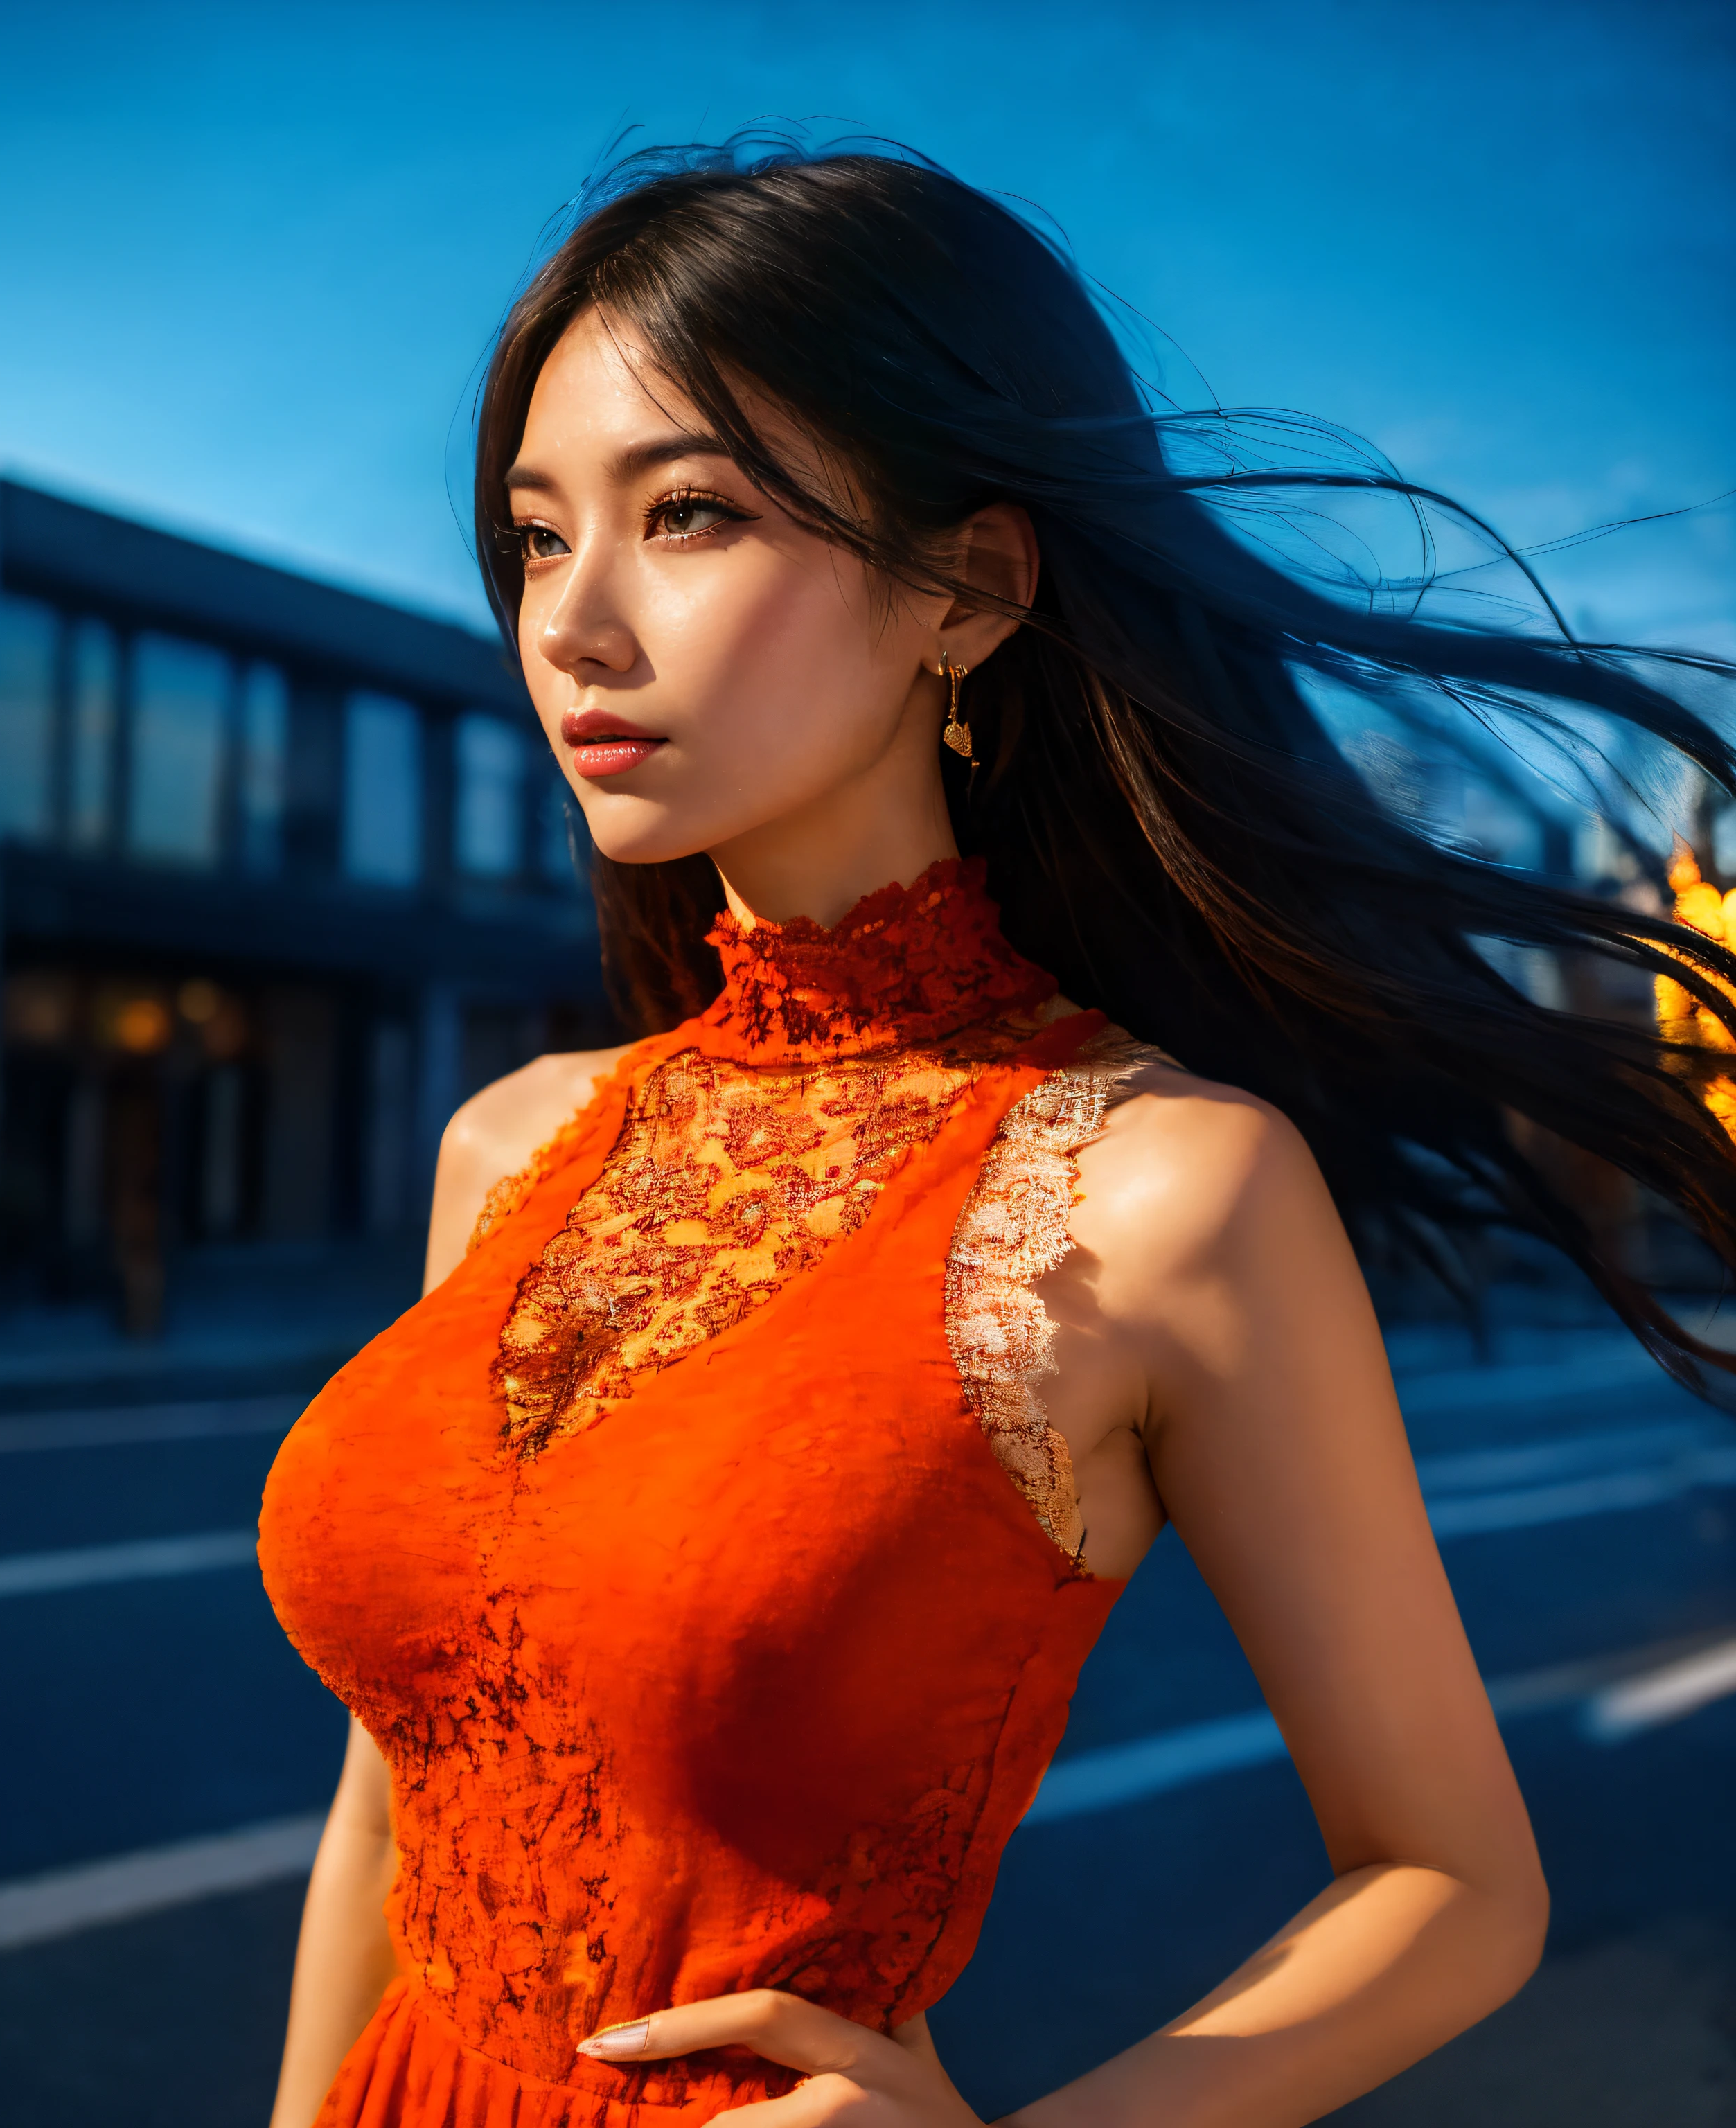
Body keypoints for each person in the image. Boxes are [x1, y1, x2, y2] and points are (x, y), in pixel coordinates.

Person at [258, 141, 1736, 2128]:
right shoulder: (504, 1146)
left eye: (686, 514)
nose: (572, 625)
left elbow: (1456, 1886)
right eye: (536, 538)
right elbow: (384, 1824)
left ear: (969, 587)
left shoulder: (1158, 1189)